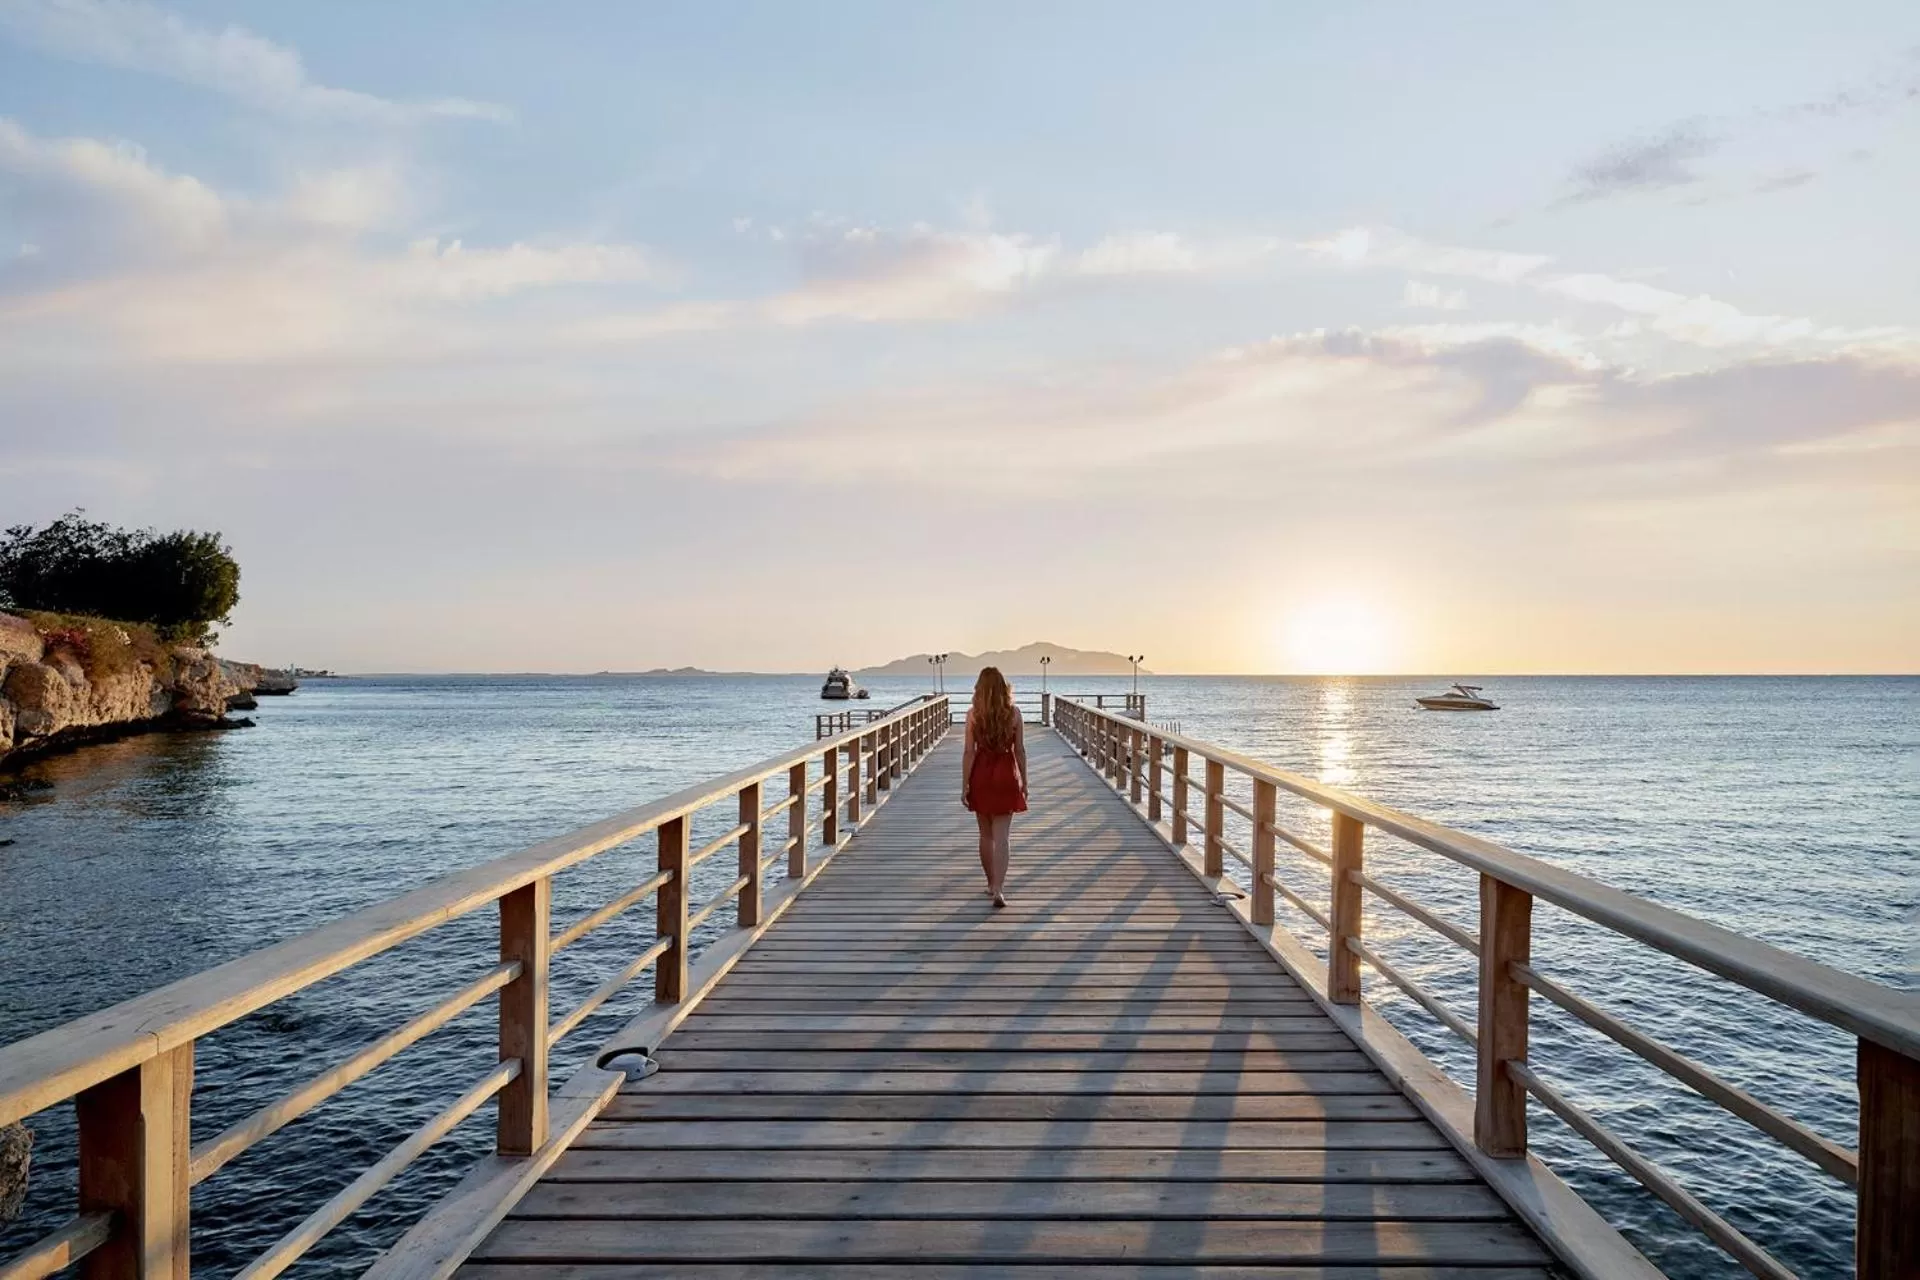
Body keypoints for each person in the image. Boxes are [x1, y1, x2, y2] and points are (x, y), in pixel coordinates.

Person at [961, 666, 1027, 907]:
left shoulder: (973, 714)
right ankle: (999, 888)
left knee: (986, 835)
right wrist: (1025, 782)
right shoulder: (1015, 714)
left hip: (981, 774)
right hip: (1006, 775)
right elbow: (1019, 750)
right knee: (1002, 837)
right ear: (1003, 688)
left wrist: (964, 784)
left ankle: (990, 883)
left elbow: (969, 752)